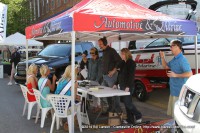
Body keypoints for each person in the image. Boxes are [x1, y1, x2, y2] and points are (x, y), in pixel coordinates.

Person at [160, 39, 192, 117]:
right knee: (174, 115)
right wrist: (162, 57)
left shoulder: (182, 60)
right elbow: (165, 66)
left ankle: (178, 128)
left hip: (179, 93)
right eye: (170, 46)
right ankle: (175, 128)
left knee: (178, 116)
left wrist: (176, 75)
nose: (170, 48)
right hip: (174, 91)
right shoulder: (174, 59)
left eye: (172, 46)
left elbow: (190, 73)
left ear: (178, 47)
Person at [114, 48, 142, 124]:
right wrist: (116, 83)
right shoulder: (122, 63)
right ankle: (130, 119)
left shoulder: (131, 63)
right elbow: (119, 75)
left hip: (128, 86)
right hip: (122, 85)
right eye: (121, 54)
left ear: (126, 54)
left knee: (128, 103)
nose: (121, 55)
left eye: (122, 54)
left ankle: (138, 115)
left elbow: (131, 76)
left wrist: (128, 86)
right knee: (126, 103)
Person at [98, 36, 122, 113]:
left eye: (101, 44)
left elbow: (119, 61)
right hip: (104, 76)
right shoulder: (104, 52)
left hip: (111, 76)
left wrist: (113, 70)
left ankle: (117, 110)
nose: (99, 45)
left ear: (105, 43)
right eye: (99, 44)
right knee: (104, 92)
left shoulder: (112, 51)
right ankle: (110, 107)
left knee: (114, 94)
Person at [88, 47, 102, 112]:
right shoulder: (90, 60)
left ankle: (98, 106)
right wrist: (88, 79)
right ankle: (95, 106)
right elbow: (89, 70)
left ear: (96, 53)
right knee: (93, 93)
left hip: (96, 80)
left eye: (92, 53)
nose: (91, 54)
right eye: (90, 53)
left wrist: (97, 80)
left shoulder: (99, 61)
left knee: (96, 93)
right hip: (90, 79)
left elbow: (100, 72)